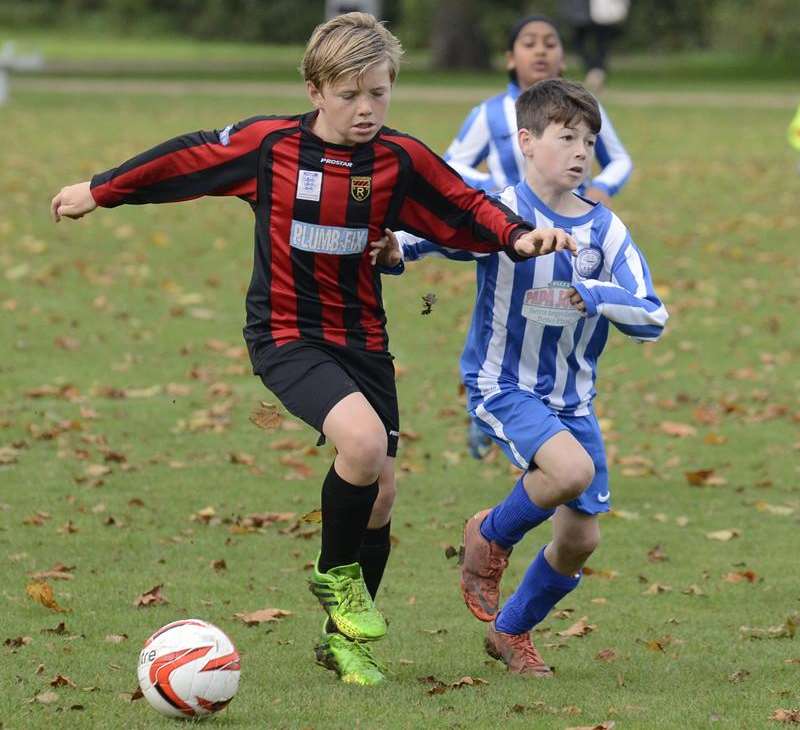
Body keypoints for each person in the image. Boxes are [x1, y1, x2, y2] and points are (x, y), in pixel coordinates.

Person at [49, 12, 576, 687]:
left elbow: (462, 203)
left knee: (381, 491)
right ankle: (335, 578)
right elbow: (184, 159)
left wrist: (515, 235)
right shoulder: (269, 147)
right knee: (359, 446)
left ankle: (342, 642)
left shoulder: (397, 159)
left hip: (362, 340)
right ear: (314, 90)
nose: (365, 109)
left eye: (378, 93)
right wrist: (100, 189)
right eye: (350, 93)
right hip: (285, 333)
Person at [373, 78, 666, 674]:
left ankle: (511, 632)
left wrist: (593, 292)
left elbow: (652, 316)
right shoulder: (498, 213)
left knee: (581, 542)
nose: (581, 151)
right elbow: (432, 235)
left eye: (589, 140)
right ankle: (491, 536)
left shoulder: (606, 232)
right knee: (569, 471)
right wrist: (393, 250)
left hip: (573, 401)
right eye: (566, 138)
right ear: (527, 142)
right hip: (503, 384)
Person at [443, 13, 633, 458]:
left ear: (564, 55)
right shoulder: (490, 115)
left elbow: (620, 160)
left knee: (562, 317)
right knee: (504, 318)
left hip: (569, 234)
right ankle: (492, 409)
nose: (542, 50)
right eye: (529, 42)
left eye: (551, 42)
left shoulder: (584, 112)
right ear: (510, 58)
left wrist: (602, 188)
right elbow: (450, 165)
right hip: (506, 235)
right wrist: (491, 193)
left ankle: (555, 410)